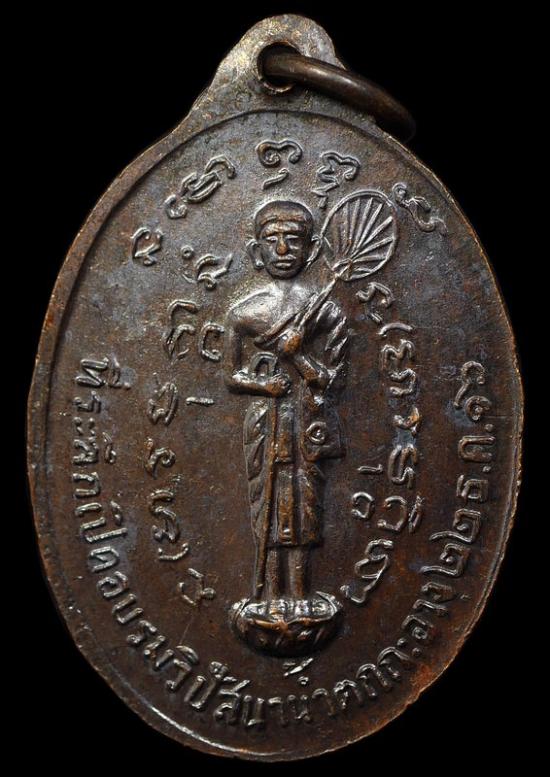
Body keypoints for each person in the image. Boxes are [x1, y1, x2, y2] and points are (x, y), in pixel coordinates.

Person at [224, 200, 348, 604]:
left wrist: (299, 357)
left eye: (293, 240)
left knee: (305, 505)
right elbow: (232, 377)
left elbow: (333, 380)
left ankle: (300, 593)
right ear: (255, 250)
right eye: (271, 240)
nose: (282, 250)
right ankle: (271, 597)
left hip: (309, 422)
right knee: (268, 501)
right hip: (266, 420)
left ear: (311, 250)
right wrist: (265, 387)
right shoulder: (244, 314)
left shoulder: (327, 312)